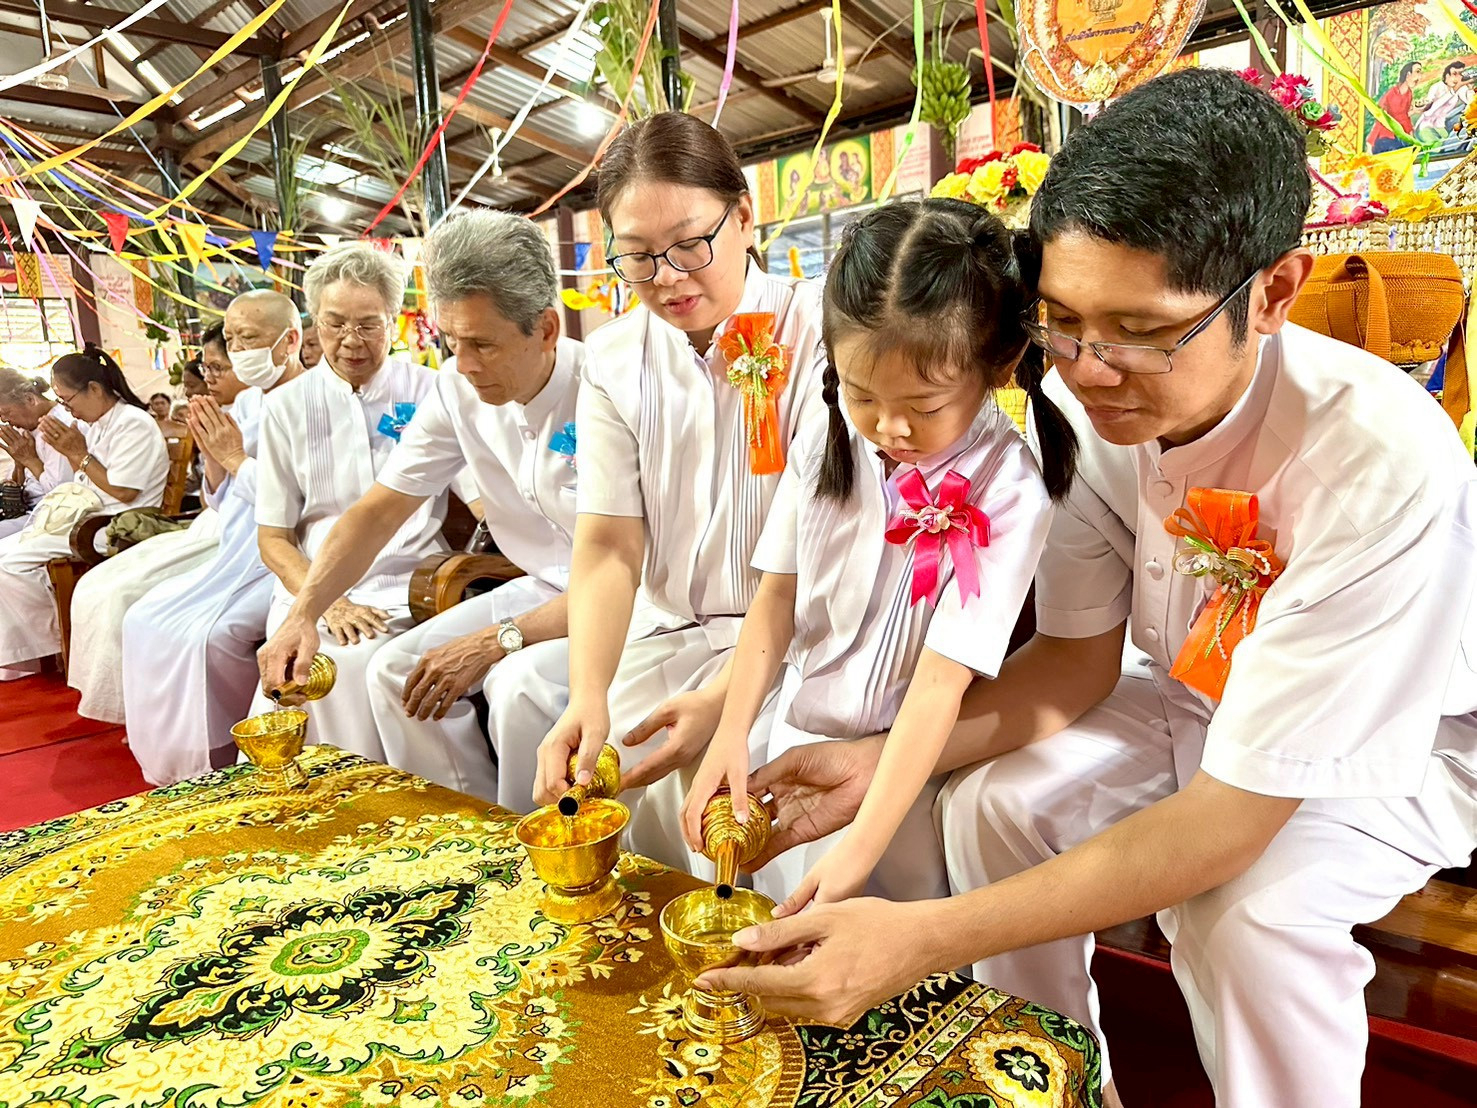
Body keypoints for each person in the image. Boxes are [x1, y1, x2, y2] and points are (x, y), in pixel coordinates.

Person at [696, 69, 1477, 1108]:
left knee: (1247, 911)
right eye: (1062, 323)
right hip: (1193, 701)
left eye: (1143, 331)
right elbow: (1071, 663)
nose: (1091, 369)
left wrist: (917, 941)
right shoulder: (1087, 412)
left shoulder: (1377, 460)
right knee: (993, 803)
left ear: (1274, 291)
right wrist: (875, 761)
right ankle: (1056, 1081)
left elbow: (1227, 824)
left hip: (1395, 743)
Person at [681, 199, 1072, 908]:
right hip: (795, 737)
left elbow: (936, 687)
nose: (888, 428)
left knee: (888, 962)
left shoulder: (1008, 492)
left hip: (905, 774)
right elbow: (775, 599)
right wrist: (728, 733)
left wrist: (859, 850)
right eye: (860, 395)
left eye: (923, 406)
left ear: (1000, 363)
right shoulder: (827, 438)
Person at [527, 111, 828, 871]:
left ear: (747, 215)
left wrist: (727, 698)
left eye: (691, 243)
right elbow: (608, 544)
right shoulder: (613, 358)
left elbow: (818, 551)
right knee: (580, 772)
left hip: (799, 642)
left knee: (734, 800)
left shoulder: (822, 330)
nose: (666, 277)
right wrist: (586, 692)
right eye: (636, 257)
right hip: (669, 634)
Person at [258, 210, 582, 802]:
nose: (464, 363)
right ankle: (466, 819)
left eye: (482, 343)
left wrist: (496, 639)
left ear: (546, 329)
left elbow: (623, 574)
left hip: (622, 601)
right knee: (396, 672)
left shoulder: (604, 388)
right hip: (542, 586)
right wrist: (305, 611)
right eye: (451, 341)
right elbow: (378, 511)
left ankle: (521, 832)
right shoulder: (458, 391)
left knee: (517, 685)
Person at [247, 244, 447, 754]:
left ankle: (400, 806)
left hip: (411, 583)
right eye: (335, 324)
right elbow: (272, 538)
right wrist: (326, 600)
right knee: (317, 662)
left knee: (363, 663)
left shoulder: (432, 391)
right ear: (313, 324)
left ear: (394, 322)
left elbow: (484, 495)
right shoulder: (286, 405)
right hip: (310, 587)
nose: (351, 341)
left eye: (369, 324)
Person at [121, 295, 305, 783]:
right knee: (143, 616)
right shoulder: (245, 401)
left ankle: (222, 745)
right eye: (231, 339)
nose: (238, 348)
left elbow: (303, 497)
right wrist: (217, 460)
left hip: (289, 548)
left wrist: (236, 459)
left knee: (210, 635)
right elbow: (222, 500)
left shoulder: (311, 399)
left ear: (290, 340)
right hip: (238, 542)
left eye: (249, 339)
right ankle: (174, 754)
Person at [69, 326, 241, 724]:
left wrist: (225, 456)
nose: (207, 381)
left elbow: (127, 493)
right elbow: (215, 495)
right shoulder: (227, 412)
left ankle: (148, 711)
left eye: (217, 368)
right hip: (209, 520)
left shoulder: (133, 422)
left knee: (128, 596)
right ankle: (126, 704)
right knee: (101, 583)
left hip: (233, 529)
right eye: (206, 369)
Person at [0, 346, 167, 681]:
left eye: (67, 399)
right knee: (4, 552)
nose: (67, 409)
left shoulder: (132, 423)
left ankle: (56, 640)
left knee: (9, 563)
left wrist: (77, 453)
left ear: (94, 388)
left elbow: (124, 491)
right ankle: (41, 642)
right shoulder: (98, 423)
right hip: (90, 513)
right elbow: (83, 479)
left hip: (117, 523)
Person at [0, 368, 75, 540]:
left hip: (53, 515)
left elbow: (62, 492)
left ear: (29, 399)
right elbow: (18, 485)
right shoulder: (26, 428)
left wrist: (30, 460)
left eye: (6, 412)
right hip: (28, 510)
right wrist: (19, 463)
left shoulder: (57, 424)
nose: (4, 420)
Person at [1413, 60, 1473, 145]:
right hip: (1427, 126)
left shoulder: (1459, 88)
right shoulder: (1436, 87)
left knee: (1452, 144)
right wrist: (1454, 90)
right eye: (1454, 74)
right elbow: (1433, 108)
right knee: (1437, 149)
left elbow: (1470, 102)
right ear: (1447, 76)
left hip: (1441, 126)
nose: (1457, 77)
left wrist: (1470, 88)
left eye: (1460, 74)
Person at [1369, 62, 1419, 153]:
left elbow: (1405, 117)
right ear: (1408, 75)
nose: (1420, 77)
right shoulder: (1392, 93)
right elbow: (1380, 117)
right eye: (1417, 72)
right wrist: (1370, 142)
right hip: (1386, 137)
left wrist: (1412, 138)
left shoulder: (1409, 94)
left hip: (1400, 135)